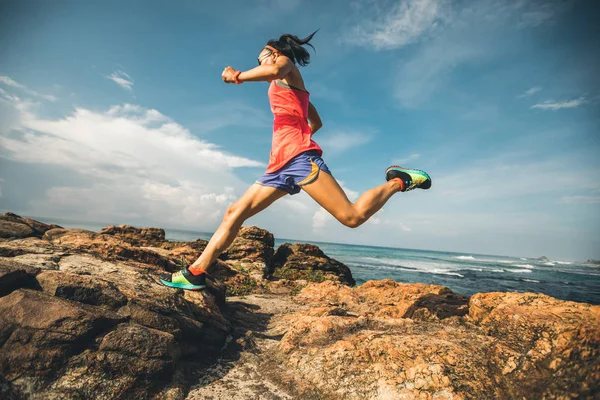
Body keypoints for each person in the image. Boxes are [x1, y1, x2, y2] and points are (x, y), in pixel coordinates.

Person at [160, 31, 431, 290]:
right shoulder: (294, 91)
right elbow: (317, 121)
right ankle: (195, 273)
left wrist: (237, 76)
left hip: (300, 159)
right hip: (279, 164)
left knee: (351, 217)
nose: (260, 62)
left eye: (261, 57)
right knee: (234, 212)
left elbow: (275, 71)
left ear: (273, 52)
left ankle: (399, 180)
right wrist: (297, 134)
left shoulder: (284, 65)